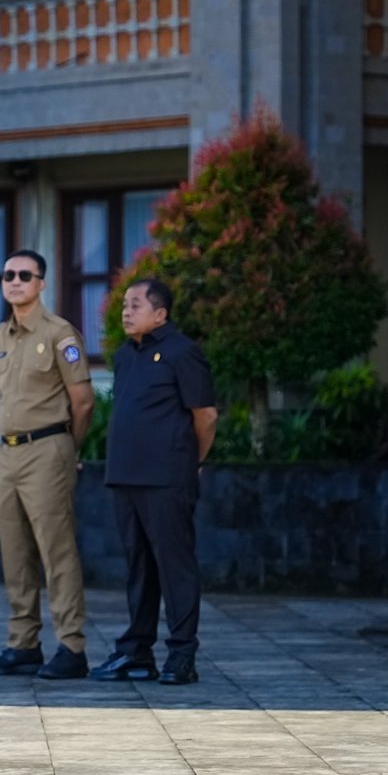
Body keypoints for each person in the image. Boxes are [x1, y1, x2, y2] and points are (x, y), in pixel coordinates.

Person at [91, 279, 217, 686]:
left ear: (160, 313)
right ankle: (136, 651)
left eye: (135, 305)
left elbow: (206, 416)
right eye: (124, 305)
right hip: (126, 477)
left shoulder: (183, 352)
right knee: (139, 568)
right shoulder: (126, 355)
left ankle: (182, 653)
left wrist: (192, 460)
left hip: (167, 478)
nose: (126, 311)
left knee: (174, 565)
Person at [0, 249, 95, 680]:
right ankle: (23, 642)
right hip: (8, 453)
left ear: (41, 283)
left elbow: (83, 402)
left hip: (48, 449)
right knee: (14, 549)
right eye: (8, 274)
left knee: (56, 549)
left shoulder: (61, 334)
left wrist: (67, 448)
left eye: (25, 275)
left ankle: (71, 645)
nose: (15, 281)